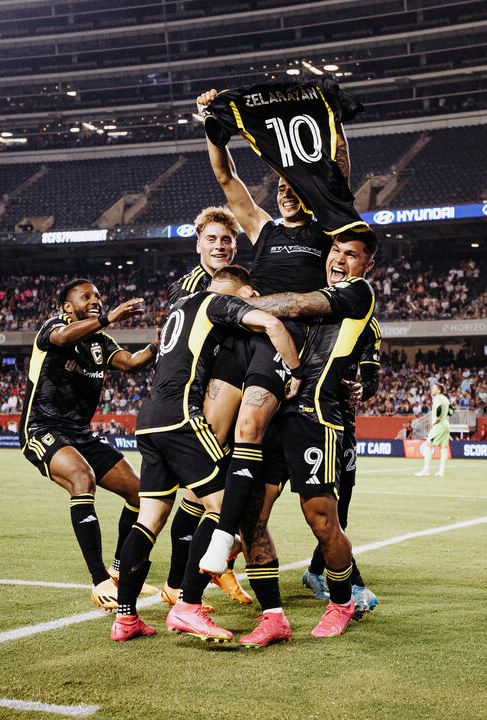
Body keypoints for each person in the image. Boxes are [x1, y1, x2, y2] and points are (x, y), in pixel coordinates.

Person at [196, 86, 355, 577]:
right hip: (245, 340)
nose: (286, 192)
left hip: (287, 345)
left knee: (250, 434)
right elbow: (225, 176)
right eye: (280, 188)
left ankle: (225, 545)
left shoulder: (323, 231)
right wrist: (212, 127)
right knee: (205, 445)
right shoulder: (262, 227)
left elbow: (339, 174)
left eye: (294, 188)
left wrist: (332, 121)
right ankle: (191, 565)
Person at [110, 265, 302, 643]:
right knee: (226, 503)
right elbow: (274, 326)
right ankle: (189, 606)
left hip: (148, 420)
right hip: (182, 418)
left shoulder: (180, 306)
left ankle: (126, 618)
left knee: (148, 519)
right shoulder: (217, 302)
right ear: (240, 292)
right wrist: (296, 372)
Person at [224, 231, 379, 643]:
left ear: (367, 266)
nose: (340, 260)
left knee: (322, 520)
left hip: (316, 416)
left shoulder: (358, 293)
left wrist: (233, 306)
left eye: (351, 255)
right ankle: (273, 617)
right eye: (335, 251)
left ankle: (342, 603)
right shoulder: (321, 290)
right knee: (251, 517)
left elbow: (292, 304)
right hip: (278, 409)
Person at [20, 279, 157, 612]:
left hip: (81, 432)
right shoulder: (54, 326)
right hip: (43, 429)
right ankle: (99, 581)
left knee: (141, 493)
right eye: (86, 296)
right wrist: (110, 317)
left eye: (97, 296)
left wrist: (159, 343)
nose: (95, 299)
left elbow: (131, 363)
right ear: (68, 307)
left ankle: (120, 572)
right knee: (83, 480)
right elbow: (63, 339)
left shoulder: (101, 342)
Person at [160, 206, 252, 608]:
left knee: (230, 492)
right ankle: (177, 582)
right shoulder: (192, 285)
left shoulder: (233, 281)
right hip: (197, 400)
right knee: (201, 495)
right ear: (198, 243)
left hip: (229, 393)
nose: (220, 246)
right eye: (212, 239)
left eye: (227, 239)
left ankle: (209, 568)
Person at [302, 313, 381, 616]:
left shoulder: (369, 326)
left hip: (343, 423)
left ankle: (315, 572)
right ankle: (353, 584)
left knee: (340, 512)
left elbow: (371, 377)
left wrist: (365, 388)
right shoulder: (312, 308)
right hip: (303, 416)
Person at [416, 383, 451, 477]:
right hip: (446, 424)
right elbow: (451, 411)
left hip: (439, 425)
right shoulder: (445, 399)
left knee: (428, 446)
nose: (431, 389)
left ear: (438, 390)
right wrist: (444, 418)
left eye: (434, 388)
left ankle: (426, 470)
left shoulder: (438, 398)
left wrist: (436, 420)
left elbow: (439, 409)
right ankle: (441, 471)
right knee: (443, 447)